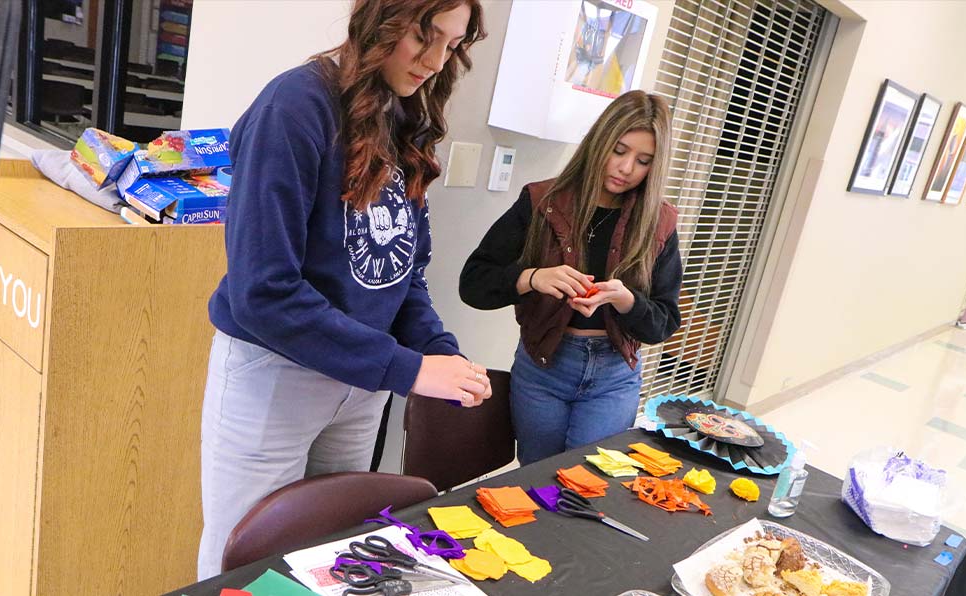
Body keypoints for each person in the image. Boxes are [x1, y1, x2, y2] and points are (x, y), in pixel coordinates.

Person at [198, 0, 488, 579]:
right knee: (243, 567)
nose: (434, 61)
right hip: (276, 375)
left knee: (329, 560)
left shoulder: (400, 114)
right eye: (423, 35)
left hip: (361, 384)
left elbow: (400, 273)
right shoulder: (294, 107)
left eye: (451, 45)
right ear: (382, 17)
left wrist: (438, 350)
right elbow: (263, 291)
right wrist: (405, 369)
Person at [460, 90, 682, 465]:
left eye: (643, 161)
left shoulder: (658, 222)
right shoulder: (542, 201)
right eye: (619, 150)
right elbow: (474, 283)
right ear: (599, 141)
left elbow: (663, 323)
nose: (626, 168)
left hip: (613, 376)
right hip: (543, 367)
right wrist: (531, 278)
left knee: (587, 487)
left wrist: (626, 300)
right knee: (535, 482)